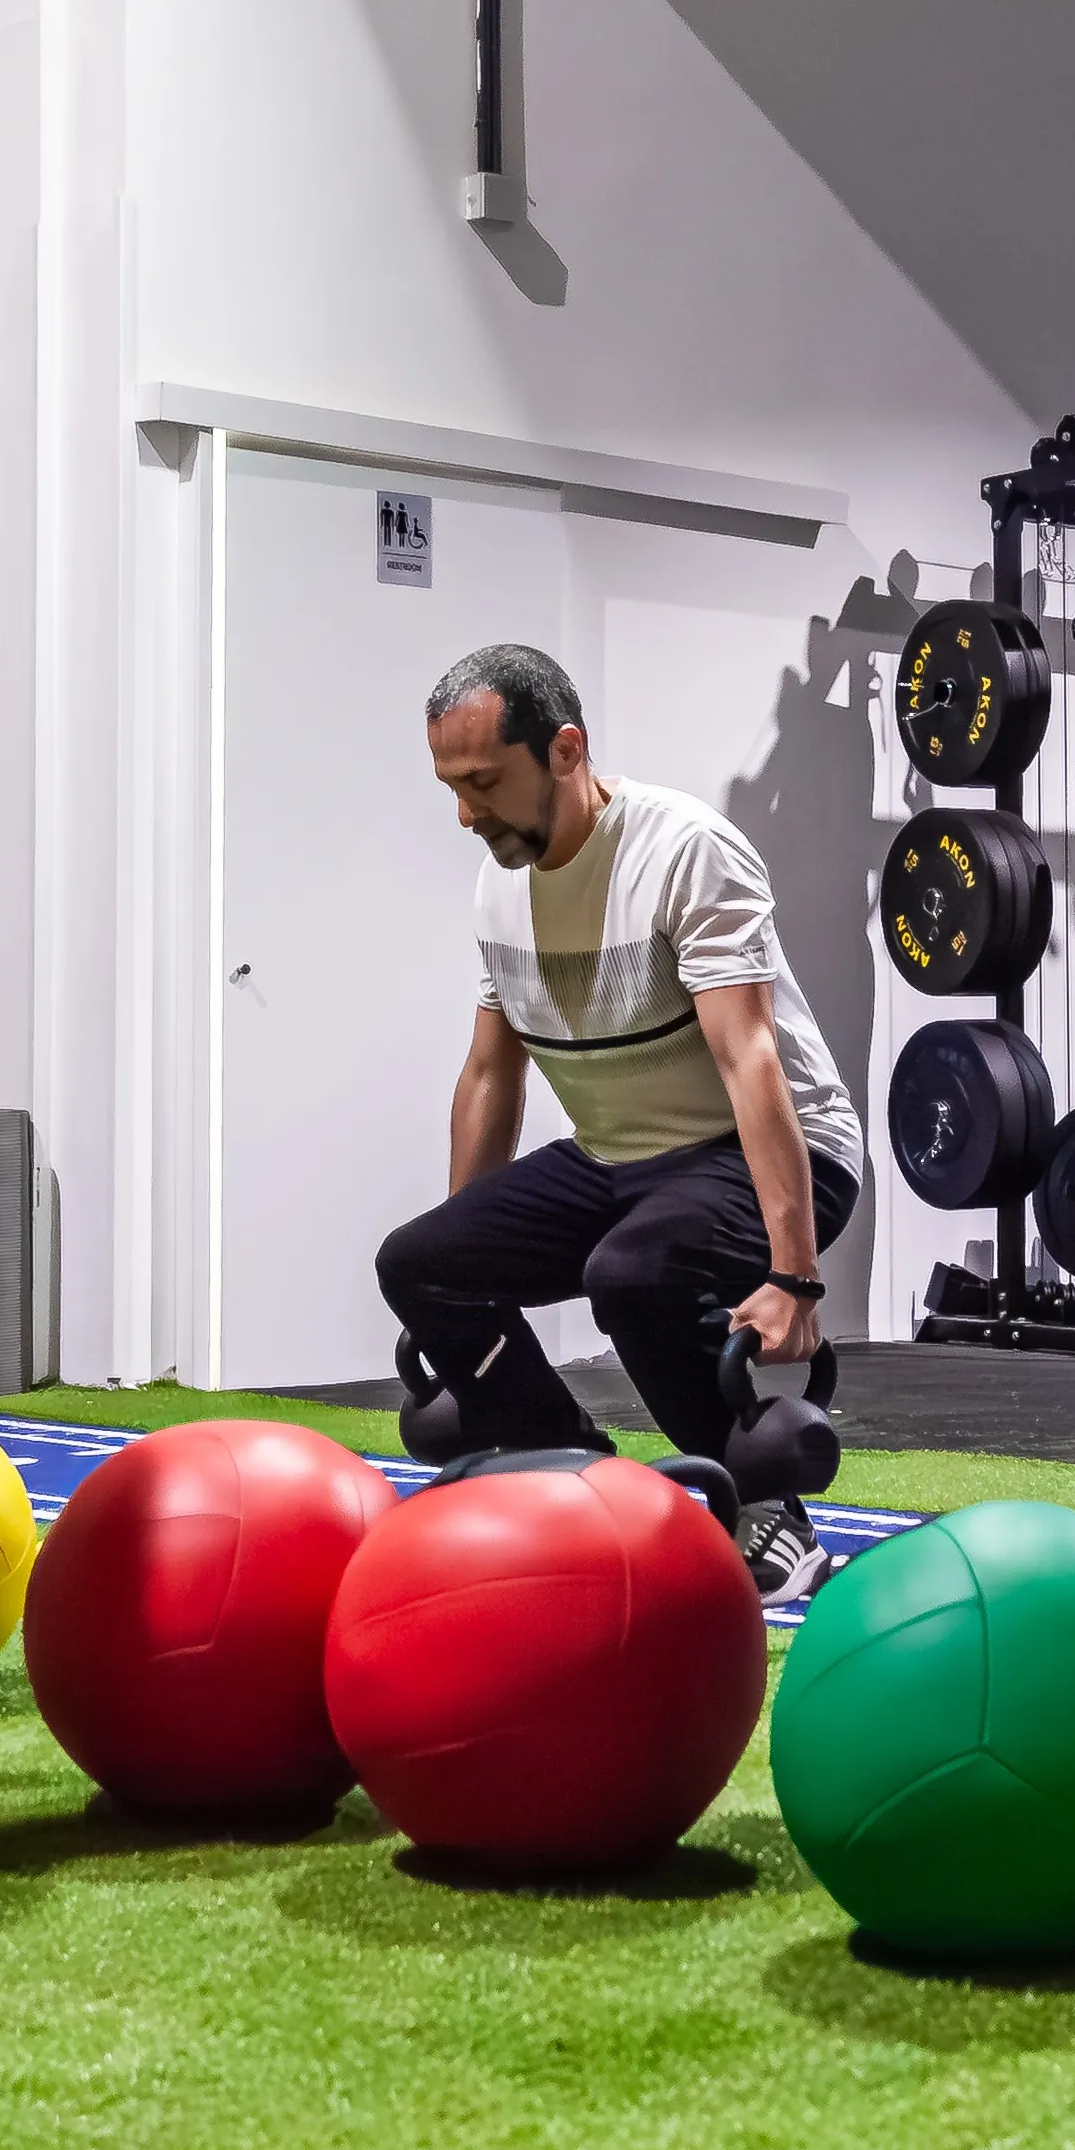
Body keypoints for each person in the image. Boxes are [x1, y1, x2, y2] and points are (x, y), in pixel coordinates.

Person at [374, 643, 863, 1606]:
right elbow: (489, 1070)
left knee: (631, 1274)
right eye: (452, 788)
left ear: (565, 750)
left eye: (483, 782)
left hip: (773, 1148)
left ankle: (768, 1510)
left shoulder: (683, 849)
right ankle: (572, 1480)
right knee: (415, 1260)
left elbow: (748, 1058)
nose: (467, 814)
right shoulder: (500, 882)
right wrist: (470, 1260)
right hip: (619, 1158)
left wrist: (794, 1274)